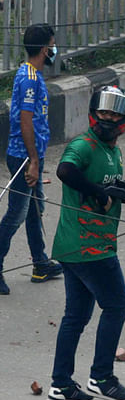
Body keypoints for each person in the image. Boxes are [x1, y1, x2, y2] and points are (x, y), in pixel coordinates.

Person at [47, 86, 125, 400]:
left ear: (124, 120)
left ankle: (61, 385)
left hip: (79, 246)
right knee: (118, 305)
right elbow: (65, 171)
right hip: (88, 245)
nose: (108, 118)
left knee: (76, 317)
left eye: (115, 114)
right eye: (103, 112)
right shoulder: (84, 146)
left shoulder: (114, 152)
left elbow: (112, 187)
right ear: (93, 114)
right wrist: (96, 192)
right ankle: (102, 378)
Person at [0, 24, 62, 295]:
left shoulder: (31, 73)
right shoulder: (30, 79)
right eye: (52, 44)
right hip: (25, 157)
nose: (54, 49)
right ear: (45, 48)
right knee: (16, 214)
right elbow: (25, 120)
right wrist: (33, 161)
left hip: (33, 154)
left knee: (35, 211)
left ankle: (40, 263)